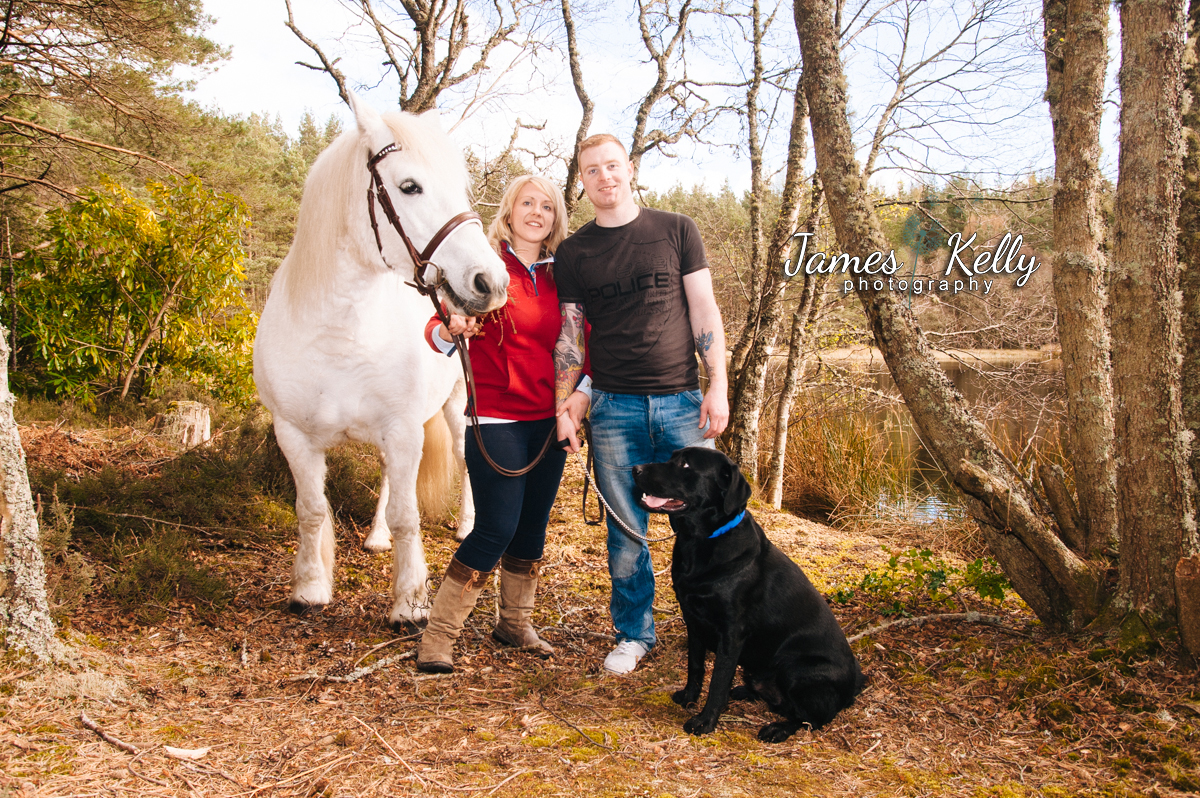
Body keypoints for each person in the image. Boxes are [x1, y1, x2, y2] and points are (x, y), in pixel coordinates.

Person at [553, 134, 729, 675]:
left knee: (706, 521)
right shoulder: (574, 252)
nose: (604, 177)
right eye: (591, 171)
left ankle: (721, 626)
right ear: (582, 182)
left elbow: (704, 310)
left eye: (612, 166)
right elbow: (571, 336)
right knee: (627, 530)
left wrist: (717, 383)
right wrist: (567, 404)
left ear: (629, 169)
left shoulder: (676, 230)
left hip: (682, 402)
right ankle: (634, 634)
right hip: (613, 409)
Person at [416, 175, 583, 674]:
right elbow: (436, 327)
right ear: (509, 212)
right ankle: (438, 637)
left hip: (551, 420)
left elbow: (579, 340)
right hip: (496, 418)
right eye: (526, 203)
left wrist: (577, 404)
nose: (537, 212)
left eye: (547, 206)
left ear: (556, 218)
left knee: (532, 528)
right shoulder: (483, 264)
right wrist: (450, 329)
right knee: (495, 527)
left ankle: (514, 623)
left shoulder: (563, 274)